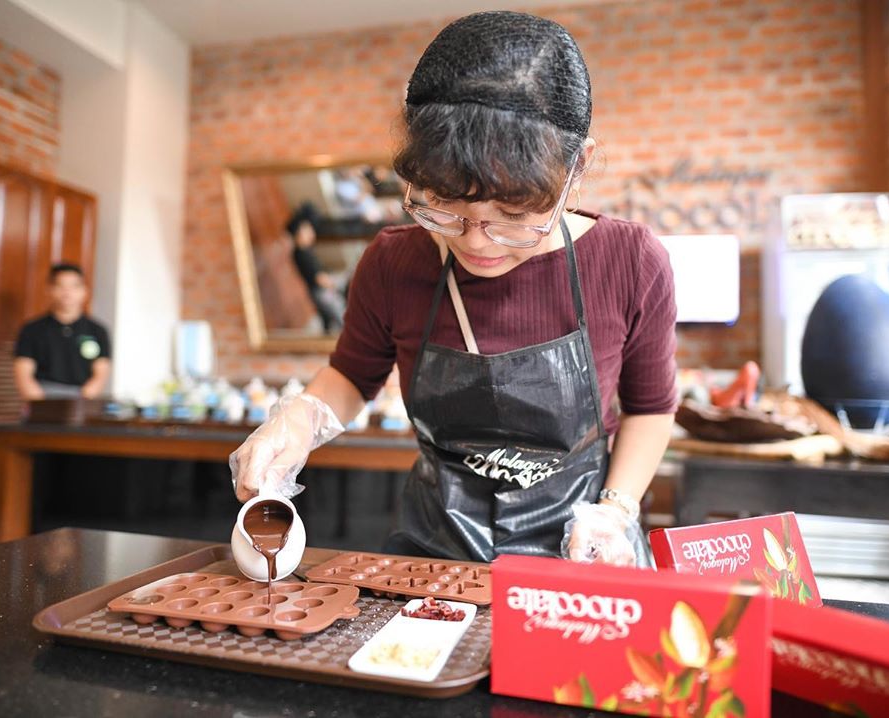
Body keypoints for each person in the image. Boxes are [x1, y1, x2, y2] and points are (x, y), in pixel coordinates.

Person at [231, 11, 677, 567]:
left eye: (514, 215)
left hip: (582, 548)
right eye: (445, 208)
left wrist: (616, 509)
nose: (478, 242)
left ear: (577, 168)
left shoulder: (630, 262)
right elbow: (352, 375)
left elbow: (652, 408)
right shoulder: (393, 262)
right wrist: (297, 421)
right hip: (431, 550)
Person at [14, 263, 112, 400]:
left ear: (85, 291)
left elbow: (100, 374)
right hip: (43, 396)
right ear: (49, 290)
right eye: (60, 286)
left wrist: (80, 403)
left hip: (82, 400)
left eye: (74, 286)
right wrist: (41, 404)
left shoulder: (98, 331)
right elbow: (23, 375)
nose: (67, 293)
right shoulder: (32, 330)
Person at [286, 202, 347, 332]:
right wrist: (337, 287)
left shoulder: (302, 251)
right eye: (306, 230)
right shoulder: (302, 254)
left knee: (328, 321)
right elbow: (319, 278)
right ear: (299, 233)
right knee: (341, 319)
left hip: (317, 292)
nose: (311, 233)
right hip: (322, 293)